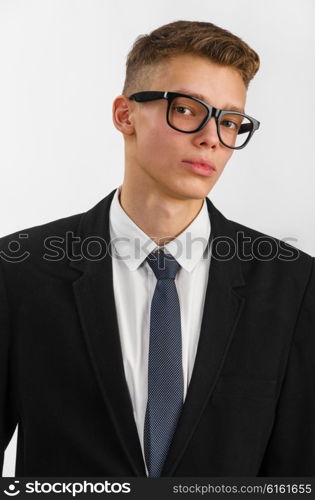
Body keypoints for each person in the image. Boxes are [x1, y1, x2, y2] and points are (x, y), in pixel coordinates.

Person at [0, 20, 314, 478]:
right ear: (125, 115)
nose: (212, 137)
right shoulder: (19, 271)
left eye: (229, 121)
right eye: (187, 110)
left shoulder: (294, 284)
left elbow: (298, 478)